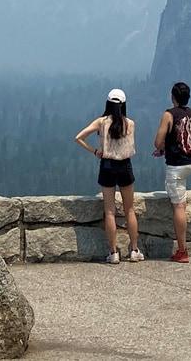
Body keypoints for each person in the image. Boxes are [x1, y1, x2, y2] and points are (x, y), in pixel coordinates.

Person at [76, 88, 144, 265]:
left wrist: (96, 151)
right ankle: (134, 249)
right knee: (129, 209)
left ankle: (113, 252)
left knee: (110, 211)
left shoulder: (101, 122)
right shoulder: (130, 123)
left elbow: (79, 137)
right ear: (124, 104)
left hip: (107, 166)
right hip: (125, 166)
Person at [152, 81, 191, 264]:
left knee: (178, 207)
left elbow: (158, 142)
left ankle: (182, 251)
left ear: (173, 97)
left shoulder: (168, 115)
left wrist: (163, 148)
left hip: (177, 166)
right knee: (182, 198)